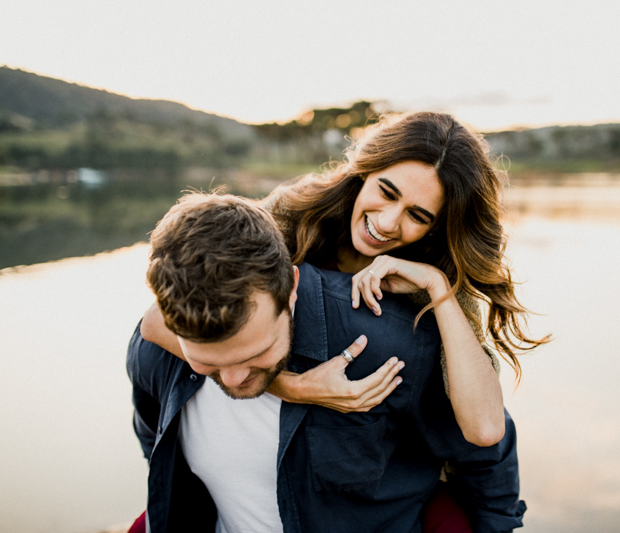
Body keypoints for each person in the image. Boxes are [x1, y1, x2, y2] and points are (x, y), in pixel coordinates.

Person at [141, 111, 548, 448]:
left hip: (379, 462)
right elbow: (156, 322)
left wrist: (438, 288)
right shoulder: (294, 213)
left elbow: (486, 427)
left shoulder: (437, 268)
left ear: (435, 228)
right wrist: (296, 388)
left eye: (417, 215)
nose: (387, 223)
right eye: (386, 192)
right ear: (364, 172)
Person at [127, 192, 526, 532]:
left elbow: (488, 464)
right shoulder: (157, 350)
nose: (232, 378)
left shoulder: (392, 342)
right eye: (207, 363)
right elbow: (157, 444)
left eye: (255, 354)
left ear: (292, 289)